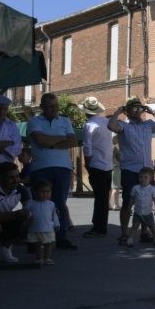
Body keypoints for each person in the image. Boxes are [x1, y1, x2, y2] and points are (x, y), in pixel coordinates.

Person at [108, 96, 155, 245]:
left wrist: (153, 112)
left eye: (139, 108)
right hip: (129, 169)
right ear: (128, 111)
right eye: (133, 108)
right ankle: (124, 233)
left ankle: (144, 232)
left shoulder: (148, 124)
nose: (137, 111)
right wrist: (118, 112)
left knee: (146, 201)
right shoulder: (124, 125)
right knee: (128, 201)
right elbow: (111, 126)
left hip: (146, 170)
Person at [28, 93, 78, 250]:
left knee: (60, 204)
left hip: (63, 168)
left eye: (56, 106)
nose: (54, 109)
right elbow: (39, 140)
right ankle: (36, 239)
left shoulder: (65, 121)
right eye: (50, 106)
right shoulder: (34, 121)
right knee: (39, 203)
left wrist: (50, 143)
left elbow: (72, 141)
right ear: (42, 107)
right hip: (41, 168)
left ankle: (61, 237)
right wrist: (60, 139)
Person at [81, 96, 114, 237]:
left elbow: (87, 148)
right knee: (103, 197)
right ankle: (101, 225)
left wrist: (87, 163)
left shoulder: (88, 125)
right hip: (107, 164)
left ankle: (98, 228)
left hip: (96, 164)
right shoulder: (107, 122)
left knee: (99, 197)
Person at [26, 179, 59, 266]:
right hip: (34, 228)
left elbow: (54, 215)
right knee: (37, 244)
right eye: (42, 191)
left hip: (48, 228)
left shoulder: (51, 204)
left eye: (48, 191)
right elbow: (25, 214)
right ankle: (39, 258)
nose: (45, 194)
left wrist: (56, 224)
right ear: (35, 192)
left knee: (49, 244)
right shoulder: (30, 203)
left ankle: (47, 258)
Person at [126, 167, 155, 247]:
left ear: (150, 179)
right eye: (141, 177)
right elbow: (132, 199)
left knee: (152, 227)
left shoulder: (153, 189)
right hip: (137, 212)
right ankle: (130, 239)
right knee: (134, 226)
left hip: (148, 212)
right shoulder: (135, 188)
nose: (143, 179)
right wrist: (129, 207)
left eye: (145, 177)